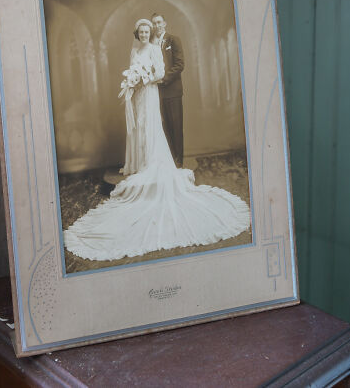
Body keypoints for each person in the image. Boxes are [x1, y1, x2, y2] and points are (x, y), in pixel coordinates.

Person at [63, 18, 250, 262]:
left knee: (150, 126)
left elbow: (161, 71)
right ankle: (141, 162)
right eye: (140, 31)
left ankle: (153, 161)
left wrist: (145, 79)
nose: (143, 34)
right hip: (139, 94)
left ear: (150, 33)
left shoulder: (153, 49)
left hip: (150, 92)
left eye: (146, 31)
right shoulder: (135, 49)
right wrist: (132, 82)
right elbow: (133, 69)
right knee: (139, 127)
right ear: (137, 33)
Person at [152, 13, 184, 167]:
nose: (157, 26)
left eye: (159, 22)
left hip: (173, 90)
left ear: (164, 23)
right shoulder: (151, 43)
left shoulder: (173, 40)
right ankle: (170, 159)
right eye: (154, 23)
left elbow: (179, 65)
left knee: (176, 125)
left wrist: (164, 79)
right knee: (164, 125)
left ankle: (178, 160)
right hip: (157, 92)